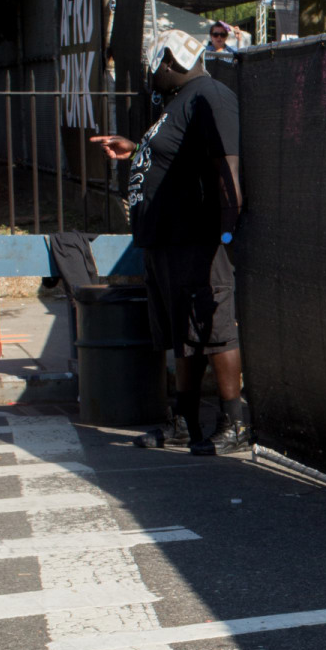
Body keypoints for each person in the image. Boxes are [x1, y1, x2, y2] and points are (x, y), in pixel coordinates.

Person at [92, 26, 249, 454]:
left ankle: (234, 424)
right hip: (163, 240)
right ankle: (184, 423)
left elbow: (226, 166)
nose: (150, 74)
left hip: (195, 239)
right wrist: (136, 146)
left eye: (154, 65)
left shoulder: (209, 95)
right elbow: (172, 151)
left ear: (171, 60)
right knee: (183, 334)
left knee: (214, 330)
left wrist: (228, 230)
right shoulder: (177, 104)